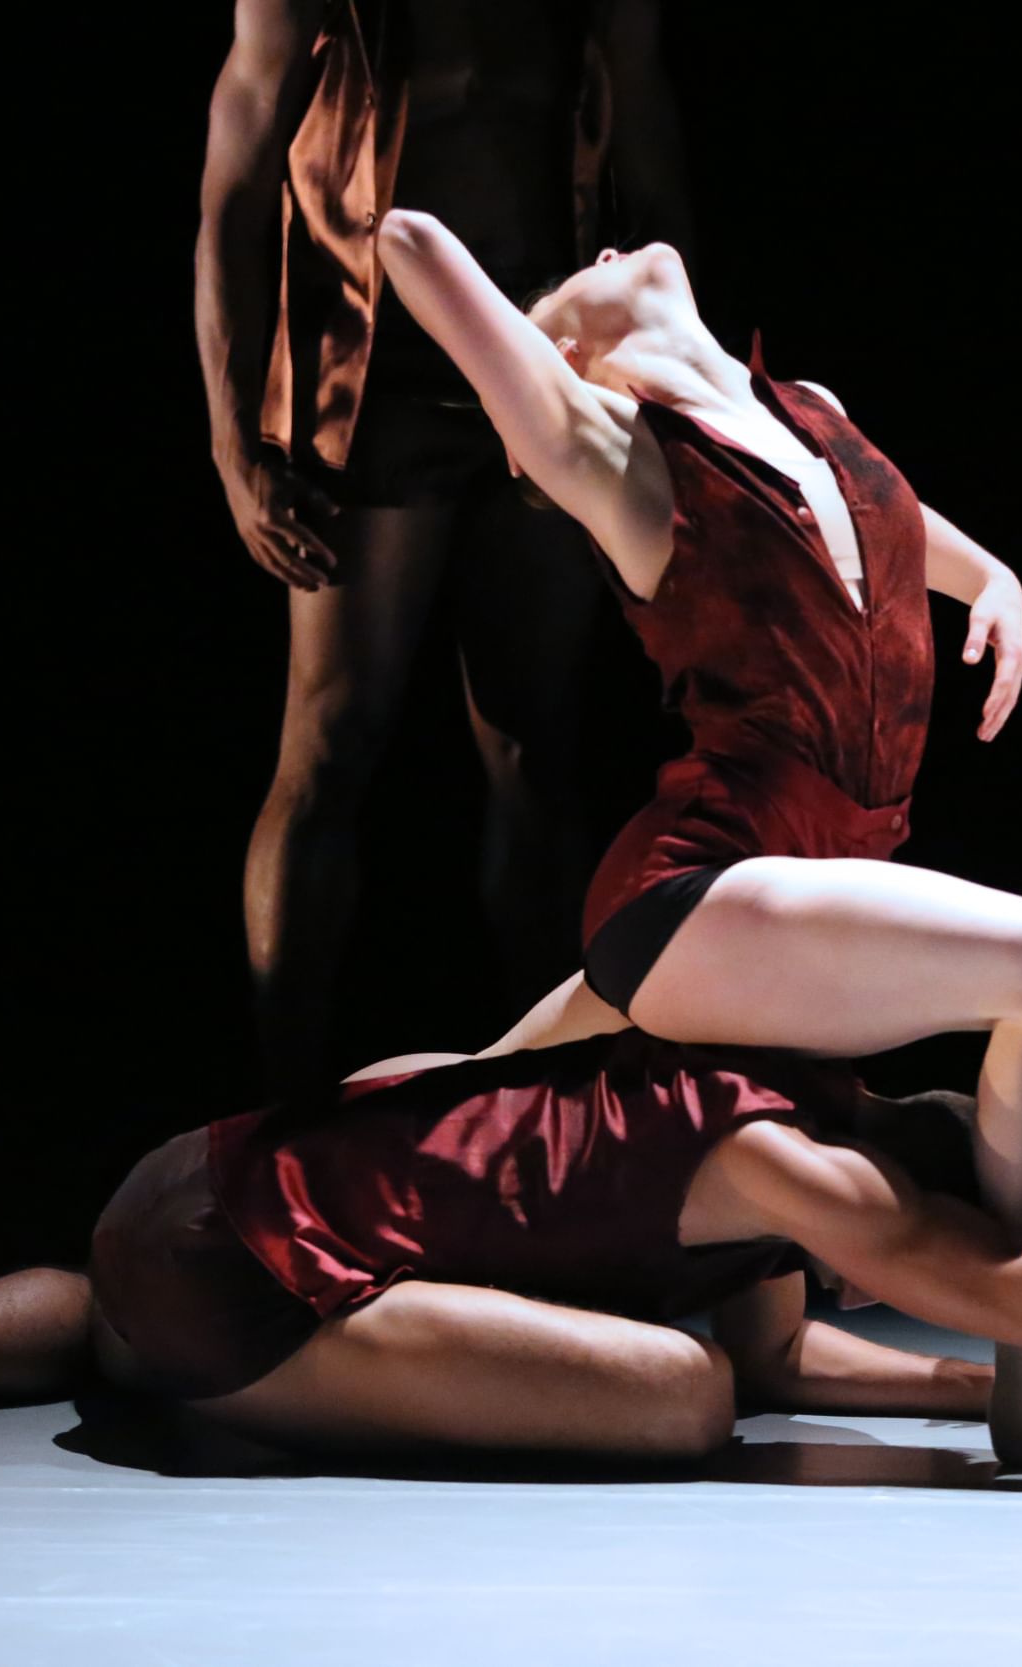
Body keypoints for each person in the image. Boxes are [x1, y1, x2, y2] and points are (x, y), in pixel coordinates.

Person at [372, 211, 1022, 1472]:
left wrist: (998, 580)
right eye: (569, 287)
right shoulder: (614, 457)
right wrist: (368, 197)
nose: (603, 257)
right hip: (696, 888)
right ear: (576, 366)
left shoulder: (806, 407)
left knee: (441, 1111)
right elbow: (416, 245)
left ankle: (306, 1226)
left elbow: (880, 530)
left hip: (798, 893)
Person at [0, 905, 1022, 1475]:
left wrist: (966, 1388)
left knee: (125, 1317)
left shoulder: (784, 1107)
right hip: (237, 1267)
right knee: (675, 1402)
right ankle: (183, 1384)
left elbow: (789, 1350)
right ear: (914, 1198)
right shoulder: (793, 1168)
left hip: (191, 1187)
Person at [197, 0, 699, 1095]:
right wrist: (238, 441)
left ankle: (552, 1101)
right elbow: (236, 172)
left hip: (545, 365)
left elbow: (650, 153)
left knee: (535, 749)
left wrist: (680, 397)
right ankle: (278, 1111)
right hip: (368, 385)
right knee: (331, 744)